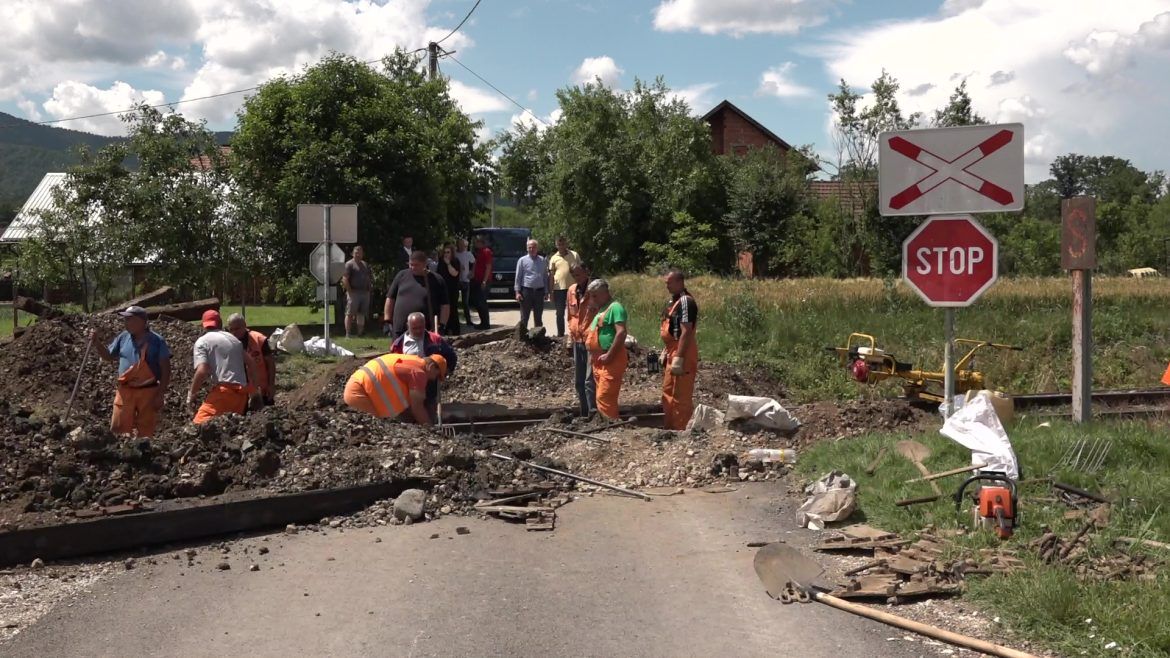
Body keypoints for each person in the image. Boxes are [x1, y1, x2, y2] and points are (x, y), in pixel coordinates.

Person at [91, 305, 172, 438]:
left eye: (130, 319)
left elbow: (166, 369)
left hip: (148, 392)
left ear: (142, 322)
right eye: (126, 320)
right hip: (125, 391)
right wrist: (97, 343)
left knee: (145, 431)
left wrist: (160, 394)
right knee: (119, 428)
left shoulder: (157, 341)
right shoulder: (123, 338)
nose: (126, 323)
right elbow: (108, 356)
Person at [187, 310, 260, 424]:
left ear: (203, 325)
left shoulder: (202, 342)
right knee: (230, 429)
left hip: (224, 392)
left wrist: (192, 394)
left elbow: (202, 370)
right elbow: (251, 363)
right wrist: (254, 390)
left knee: (197, 427)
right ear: (220, 324)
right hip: (241, 395)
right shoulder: (233, 339)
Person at [391, 312, 459, 423]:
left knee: (429, 414)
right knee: (408, 417)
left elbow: (451, 357)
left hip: (430, 387)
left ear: (425, 325)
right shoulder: (398, 345)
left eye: (420, 327)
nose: (418, 331)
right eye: (414, 328)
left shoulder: (435, 340)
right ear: (408, 326)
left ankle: (431, 430)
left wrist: (443, 372)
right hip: (408, 388)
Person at [343, 353, 447, 425]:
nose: (433, 380)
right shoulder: (419, 373)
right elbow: (417, 408)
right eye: (436, 376)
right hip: (360, 393)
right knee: (374, 430)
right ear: (431, 367)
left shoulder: (412, 360)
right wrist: (430, 428)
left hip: (355, 387)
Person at [660, 270, 700, 430]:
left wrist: (679, 358)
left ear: (679, 282)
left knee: (681, 396)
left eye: (669, 282)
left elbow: (686, 331)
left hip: (683, 351)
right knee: (668, 392)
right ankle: (669, 428)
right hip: (672, 350)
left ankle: (681, 431)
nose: (667, 286)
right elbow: (672, 331)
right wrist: (665, 351)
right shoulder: (672, 302)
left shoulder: (686, 302)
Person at [585, 278, 628, 419]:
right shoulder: (600, 310)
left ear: (605, 293)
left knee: (605, 397)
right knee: (600, 396)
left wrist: (610, 355)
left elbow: (621, 332)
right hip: (600, 361)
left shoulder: (615, 307)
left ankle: (610, 427)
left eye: (595, 295)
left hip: (611, 360)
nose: (593, 299)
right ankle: (606, 424)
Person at [384, 250, 450, 338]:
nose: (413, 267)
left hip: (424, 330)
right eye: (411, 264)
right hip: (400, 329)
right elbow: (390, 298)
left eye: (416, 265)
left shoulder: (436, 280)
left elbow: (445, 305)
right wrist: (387, 321)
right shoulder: (401, 275)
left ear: (425, 264)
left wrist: (442, 325)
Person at [566, 263, 597, 417]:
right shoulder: (572, 291)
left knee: (589, 381)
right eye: (574, 275)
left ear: (586, 272)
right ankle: (584, 413)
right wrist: (569, 338)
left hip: (591, 341)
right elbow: (571, 317)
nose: (577, 278)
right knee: (579, 381)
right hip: (577, 340)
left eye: (579, 274)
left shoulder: (595, 290)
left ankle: (594, 413)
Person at [227, 313, 276, 407]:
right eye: (231, 329)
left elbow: (270, 363)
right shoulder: (228, 344)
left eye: (237, 328)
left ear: (245, 326)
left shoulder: (258, 339)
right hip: (241, 392)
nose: (234, 332)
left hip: (262, 390)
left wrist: (271, 384)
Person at [547, 236, 581, 338]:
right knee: (560, 313)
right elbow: (551, 276)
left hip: (574, 288)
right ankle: (560, 335)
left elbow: (581, 270)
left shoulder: (574, 255)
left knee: (575, 312)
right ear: (556, 245)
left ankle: (575, 333)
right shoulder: (554, 258)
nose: (561, 246)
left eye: (563, 244)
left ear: (566, 244)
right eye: (559, 244)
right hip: (559, 289)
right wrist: (551, 292)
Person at [514, 238, 550, 330]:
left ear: (537, 248)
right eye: (529, 247)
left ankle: (538, 338)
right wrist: (517, 292)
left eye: (533, 247)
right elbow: (518, 277)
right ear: (527, 248)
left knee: (538, 318)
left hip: (539, 292)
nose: (531, 249)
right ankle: (522, 339)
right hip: (526, 292)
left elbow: (545, 277)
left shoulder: (542, 260)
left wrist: (546, 292)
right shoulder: (522, 260)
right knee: (524, 317)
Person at [342, 245, 372, 338]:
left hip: (364, 292)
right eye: (356, 252)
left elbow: (368, 277)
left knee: (361, 313)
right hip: (353, 292)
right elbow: (345, 279)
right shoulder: (349, 264)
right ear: (352, 254)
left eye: (360, 252)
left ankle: (360, 333)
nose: (358, 254)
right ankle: (348, 333)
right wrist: (350, 292)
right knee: (350, 313)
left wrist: (369, 289)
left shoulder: (365, 264)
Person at [437, 244, 462, 335]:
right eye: (445, 252)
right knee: (443, 309)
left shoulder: (455, 261)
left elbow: (454, 273)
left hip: (453, 290)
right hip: (443, 289)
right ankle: (445, 329)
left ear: (452, 253)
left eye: (448, 252)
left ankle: (455, 331)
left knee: (453, 310)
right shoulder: (441, 261)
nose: (446, 254)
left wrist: (448, 264)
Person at [470, 235, 493, 330]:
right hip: (477, 280)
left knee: (482, 302)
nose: (475, 244)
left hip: (484, 281)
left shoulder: (486, 251)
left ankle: (486, 324)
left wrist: (484, 281)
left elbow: (488, 266)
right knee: (476, 301)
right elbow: (476, 264)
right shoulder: (479, 252)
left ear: (481, 243)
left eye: (477, 242)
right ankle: (482, 322)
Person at [455, 238, 475, 328]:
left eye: (463, 245)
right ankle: (456, 320)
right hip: (457, 280)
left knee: (465, 302)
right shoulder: (455, 254)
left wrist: (472, 272)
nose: (461, 246)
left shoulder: (468, 254)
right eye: (460, 244)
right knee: (454, 301)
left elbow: (474, 262)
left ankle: (468, 320)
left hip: (466, 279)